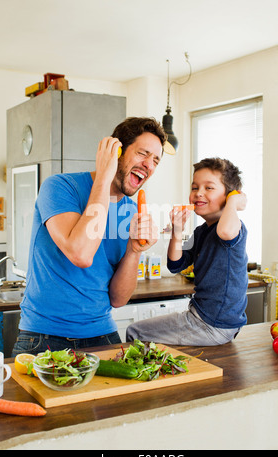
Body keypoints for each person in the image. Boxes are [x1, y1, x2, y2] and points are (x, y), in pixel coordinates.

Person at [12, 117, 166, 356]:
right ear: (117, 152)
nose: (149, 165)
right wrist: (105, 177)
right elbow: (81, 254)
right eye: (143, 153)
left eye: (156, 160)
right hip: (44, 337)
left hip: (102, 333)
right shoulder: (60, 187)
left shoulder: (131, 211)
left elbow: (118, 299)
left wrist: (134, 250)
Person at [126, 157, 248, 346]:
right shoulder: (201, 232)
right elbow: (176, 264)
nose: (199, 193)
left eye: (209, 188)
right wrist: (176, 230)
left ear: (230, 195)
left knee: (135, 332)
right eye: (194, 187)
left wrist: (233, 202)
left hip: (211, 324)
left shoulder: (234, 227)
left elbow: (225, 231)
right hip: (203, 317)